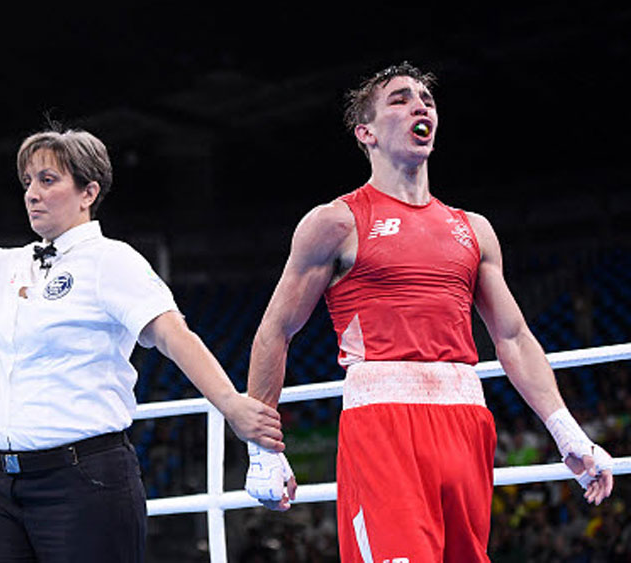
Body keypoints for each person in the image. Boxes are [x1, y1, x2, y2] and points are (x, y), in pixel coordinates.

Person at [0, 124, 284, 563]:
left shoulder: (112, 260)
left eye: (48, 180)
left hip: (84, 482)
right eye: (27, 182)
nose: (32, 194)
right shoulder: (15, 263)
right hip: (0, 483)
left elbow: (173, 335)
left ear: (88, 192)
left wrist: (231, 404)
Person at [244, 62, 614, 562]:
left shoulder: (473, 230)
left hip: (466, 422)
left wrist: (568, 433)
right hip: (384, 425)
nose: (420, 105)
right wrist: (262, 448)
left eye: (427, 99)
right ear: (366, 133)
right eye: (400, 99)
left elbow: (514, 339)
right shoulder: (336, 222)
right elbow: (275, 331)